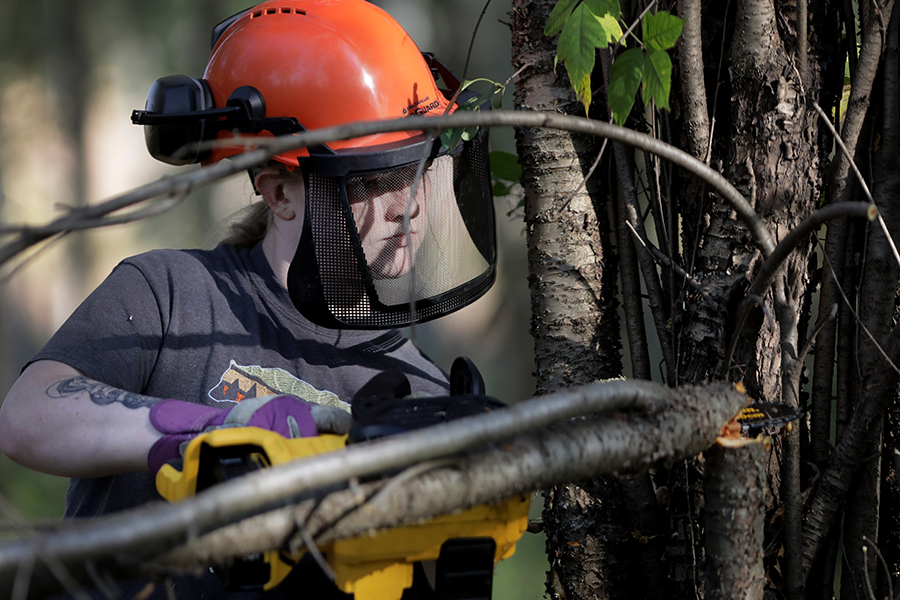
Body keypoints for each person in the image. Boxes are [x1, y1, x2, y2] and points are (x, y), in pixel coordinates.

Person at [0, 0, 497, 598]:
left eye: (415, 170)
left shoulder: (419, 390)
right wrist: (204, 430)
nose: (409, 205)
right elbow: (27, 416)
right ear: (280, 192)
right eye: (372, 179)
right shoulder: (170, 294)